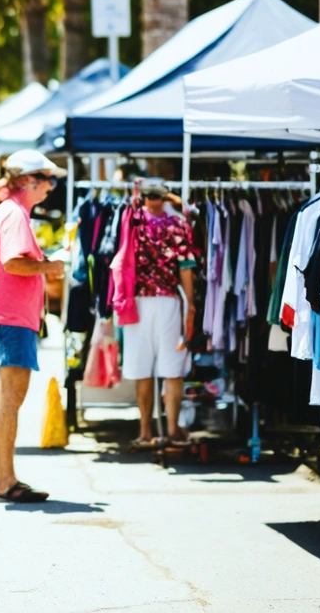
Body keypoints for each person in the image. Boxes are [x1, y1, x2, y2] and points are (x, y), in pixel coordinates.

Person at [0, 150, 64, 503]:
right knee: (11, 399)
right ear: (29, 180)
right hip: (11, 317)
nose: (51, 185)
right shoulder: (15, 214)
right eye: (48, 178)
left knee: (2, 396)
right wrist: (51, 267)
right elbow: (14, 263)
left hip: (7, 315)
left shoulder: (10, 211)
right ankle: (5, 480)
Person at [119, 182, 197, 448]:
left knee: (148, 370)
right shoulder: (176, 223)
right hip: (164, 300)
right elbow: (186, 266)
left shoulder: (133, 220)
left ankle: (146, 431)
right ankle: (170, 429)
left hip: (141, 300)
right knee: (170, 369)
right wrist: (191, 305)